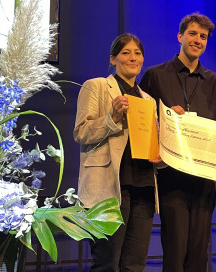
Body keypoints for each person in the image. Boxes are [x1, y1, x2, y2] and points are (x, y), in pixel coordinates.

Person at [139, 12, 216, 272]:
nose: (197, 40)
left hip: (203, 180)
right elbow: (144, 123)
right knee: (175, 252)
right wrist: (165, 121)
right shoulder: (155, 75)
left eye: (203, 36)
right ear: (180, 36)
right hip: (171, 177)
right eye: (192, 34)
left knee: (199, 254)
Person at [74, 33, 159, 272]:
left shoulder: (148, 100)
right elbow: (81, 132)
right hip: (108, 188)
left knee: (134, 265)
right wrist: (112, 118)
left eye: (138, 53)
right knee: (106, 263)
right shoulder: (97, 86)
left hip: (143, 187)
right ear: (113, 59)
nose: (133, 58)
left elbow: (153, 148)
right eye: (126, 53)